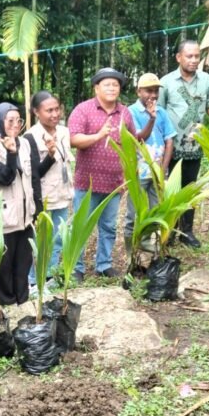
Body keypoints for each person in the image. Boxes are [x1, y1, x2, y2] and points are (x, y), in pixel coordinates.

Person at [68, 67, 137, 280]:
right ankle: (76, 267)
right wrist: (98, 135)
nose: (112, 88)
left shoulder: (124, 113)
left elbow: (130, 145)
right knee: (81, 226)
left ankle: (104, 264)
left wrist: (128, 176)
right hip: (86, 182)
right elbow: (73, 139)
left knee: (108, 226)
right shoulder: (83, 109)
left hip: (113, 183)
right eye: (107, 84)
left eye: (115, 85)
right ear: (96, 88)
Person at [159, 41, 209, 248]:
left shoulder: (205, 79)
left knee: (190, 188)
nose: (194, 60)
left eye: (197, 56)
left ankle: (186, 232)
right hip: (171, 146)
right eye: (189, 56)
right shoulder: (167, 82)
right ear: (179, 57)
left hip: (194, 145)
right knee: (170, 189)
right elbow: (160, 114)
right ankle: (168, 230)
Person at [0, 103, 37, 306]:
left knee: (23, 263)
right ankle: (6, 303)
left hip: (25, 216)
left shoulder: (25, 143)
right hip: (5, 217)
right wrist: (11, 153)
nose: (15, 124)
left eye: (19, 120)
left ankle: (23, 302)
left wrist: (36, 210)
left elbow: (33, 178)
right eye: (10, 120)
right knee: (4, 266)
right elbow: (5, 178)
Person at [23, 91, 73, 290]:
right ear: (36, 112)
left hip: (63, 194)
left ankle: (50, 277)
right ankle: (34, 281)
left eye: (57, 109)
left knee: (59, 239)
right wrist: (50, 155)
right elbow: (34, 174)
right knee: (40, 242)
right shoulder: (30, 138)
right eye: (49, 110)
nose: (54, 114)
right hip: (44, 199)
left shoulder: (64, 132)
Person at [126, 73, 177, 253]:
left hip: (157, 171)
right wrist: (151, 118)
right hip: (138, 170)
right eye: (149, 91)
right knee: (134, 211)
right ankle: (130, 247)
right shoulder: (130, 112)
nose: (153, 95)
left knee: (157, 209)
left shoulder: (162, 112)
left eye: (156, 91)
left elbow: (169, 139)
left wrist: (163, 169)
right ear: (139, 91)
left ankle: (148, 242)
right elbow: (139, 138)